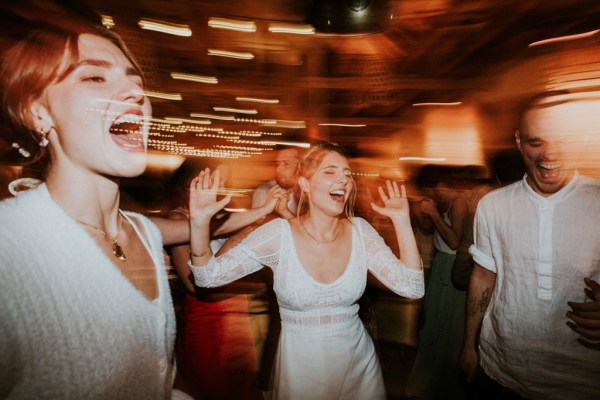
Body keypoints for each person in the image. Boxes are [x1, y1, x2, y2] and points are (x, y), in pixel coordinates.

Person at [0, 20, 185, 399]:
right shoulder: (10, 247)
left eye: (136, 81)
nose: (135, 91)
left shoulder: (145, 236)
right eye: (94, 78)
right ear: (39, 113)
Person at [187, 143, 424, 400]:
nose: (343, 180)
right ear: (306, 184)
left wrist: (401, 221)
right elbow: (207, 277)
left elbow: (412, 287)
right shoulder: (278, 234)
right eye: (330, 172)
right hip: (301, 370)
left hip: (358, 366)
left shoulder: (360, 231)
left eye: (347, 173)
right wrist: (199, 224)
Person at [460, 91, 600, 400]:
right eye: (536, 142)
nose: (549, 154)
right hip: (501, 370)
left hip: (583, 381)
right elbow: (483, 276)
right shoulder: (493, 205)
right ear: (518, 140)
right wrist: (469, 345)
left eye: (561, 140)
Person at [167, 159, 284, 400]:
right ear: (193, 182)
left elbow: (235, 230)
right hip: (207, 319)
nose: (221, 187)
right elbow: (194, 284)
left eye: (224, 181)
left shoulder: (218, 217)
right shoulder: (178, 220)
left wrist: (264, 210)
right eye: (216, 179)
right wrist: (240, 238)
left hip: (235, 318)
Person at [406, 165, 469, 400]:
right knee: (432, 323)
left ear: (440, 185)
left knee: (448, 327)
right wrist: (419, 213)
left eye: (433, 189)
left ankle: (446, 385)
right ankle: (432, 381)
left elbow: (453, 241)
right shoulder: (441, 203)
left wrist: (432, 213)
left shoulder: (459, 202)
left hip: (452, 268)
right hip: (440, 263)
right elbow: (429, 231)